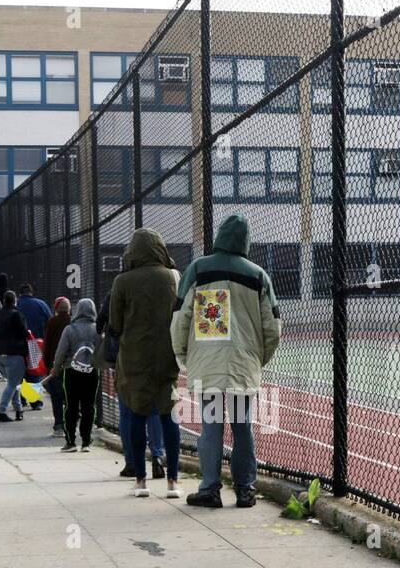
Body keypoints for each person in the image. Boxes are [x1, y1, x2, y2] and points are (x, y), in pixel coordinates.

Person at [171, 214, 281, 509]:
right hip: (243, 365)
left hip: (207, 365)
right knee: (242, 425)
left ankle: (210, 488)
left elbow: (180, 319)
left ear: (219, 236)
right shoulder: (258, 276)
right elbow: (272, 327)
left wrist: (183, 354)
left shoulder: (198, 269)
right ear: (246, 240)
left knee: (211, 424)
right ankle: (245, 489)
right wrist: (259, 358)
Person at [109, 228, 182, 498]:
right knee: (168, 414)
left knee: (137, 414)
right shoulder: (174, 277)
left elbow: (115, 323)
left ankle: (140, 480)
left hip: (134, 357)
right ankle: (173, 481)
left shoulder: (122, 281)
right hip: (167, 354)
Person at [51, 298, 99, 453]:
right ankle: (86, 441)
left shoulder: (69, 329)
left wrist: (56, 367)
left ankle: (70, 441)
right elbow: (102, 351)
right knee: (89, 406)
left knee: (70, 405)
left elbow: (60, 352)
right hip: (91, 371)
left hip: (71, 372)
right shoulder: (97, 329)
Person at [0, 290, 30, 423]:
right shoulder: (16, 314)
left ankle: (19, 410)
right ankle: (0, 411)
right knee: (13, 384)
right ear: (15, 300)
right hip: (13, 353)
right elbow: (24, 333)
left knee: (13, 383)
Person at [15, 280, 52, 410]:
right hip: (36, 343)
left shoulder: (16, 305)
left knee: (20, 372)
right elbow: (50, 321)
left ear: (20, 293)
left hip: (18, 343)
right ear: (31, 292)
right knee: (34, 373)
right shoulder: (41, 304)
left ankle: (22, 399)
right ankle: (34, 400)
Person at [42, 297, 71, 437]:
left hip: (55, 364)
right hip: (71, 365)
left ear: (56, 308)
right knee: (70, 396)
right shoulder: (72, 322)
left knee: (56, 396)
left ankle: (59, 425)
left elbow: (47, 345)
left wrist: (47, 363)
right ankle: (72, 422)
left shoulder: (52, 322)